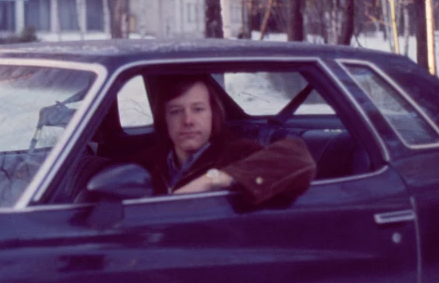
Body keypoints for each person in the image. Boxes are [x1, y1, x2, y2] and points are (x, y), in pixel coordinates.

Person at [132, 74, 316, 206]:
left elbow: (298, 158)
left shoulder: (237, 154)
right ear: (164, 119)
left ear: (213, 114)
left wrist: (214, 179)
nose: (188, 120)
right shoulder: (150, 163)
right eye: (175, 111)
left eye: (198, 109)